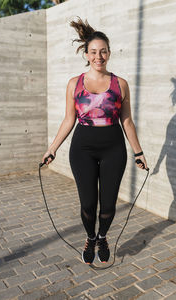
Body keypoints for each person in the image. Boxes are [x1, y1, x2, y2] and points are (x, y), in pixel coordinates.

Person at [42, 16, 148, 265]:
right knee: (88, 204)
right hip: (83, 149)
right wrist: (52, 149)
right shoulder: (74, 84)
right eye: (93, 52)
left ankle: (102, 236)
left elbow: (127, 121)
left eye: (103, 51)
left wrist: (138, 152)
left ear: (109, 53)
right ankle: (90, 237)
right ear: (86, 54)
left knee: (108, 206)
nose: (98, 56)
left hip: (114, 148)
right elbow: (69, 120)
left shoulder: (120, 84)